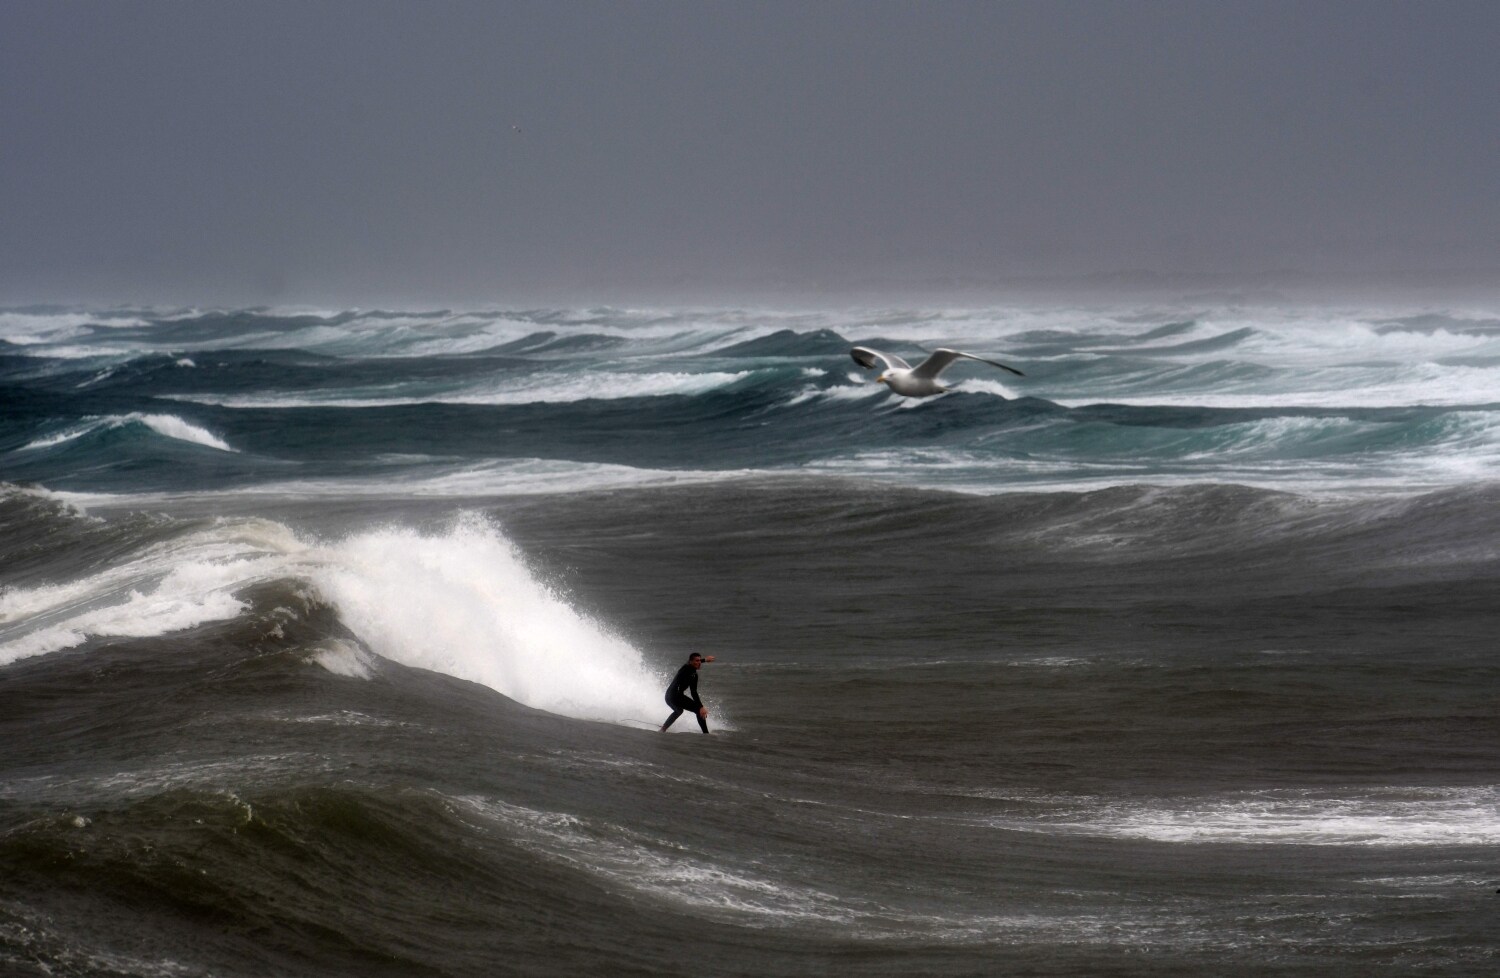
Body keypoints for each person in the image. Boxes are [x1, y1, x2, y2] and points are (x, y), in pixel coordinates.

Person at [661, 653, 715, 733]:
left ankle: (663, 729)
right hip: (674, 696)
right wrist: (701, 707)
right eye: (696, 661)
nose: (699, 663)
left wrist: (705, 660)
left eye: (700, 661)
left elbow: (694, 692)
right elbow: (693, 693)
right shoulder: (685, 668)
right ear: (690, 662)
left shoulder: (694, 675)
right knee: (698, 710)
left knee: (679, 711)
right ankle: (706, 734)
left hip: (669, 696)